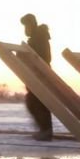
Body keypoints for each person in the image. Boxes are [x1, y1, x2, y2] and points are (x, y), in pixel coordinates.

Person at [21, 13, 53, 141]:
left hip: (39, 74)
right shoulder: (39, 37)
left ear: (31, 24)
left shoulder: (38, 37)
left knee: (35, 102)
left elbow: (42, 56)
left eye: (26, 26)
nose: (25, 29)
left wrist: (24, 54)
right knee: (37, 102)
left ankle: (45, 131)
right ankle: (45, 130)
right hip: (38, 73)